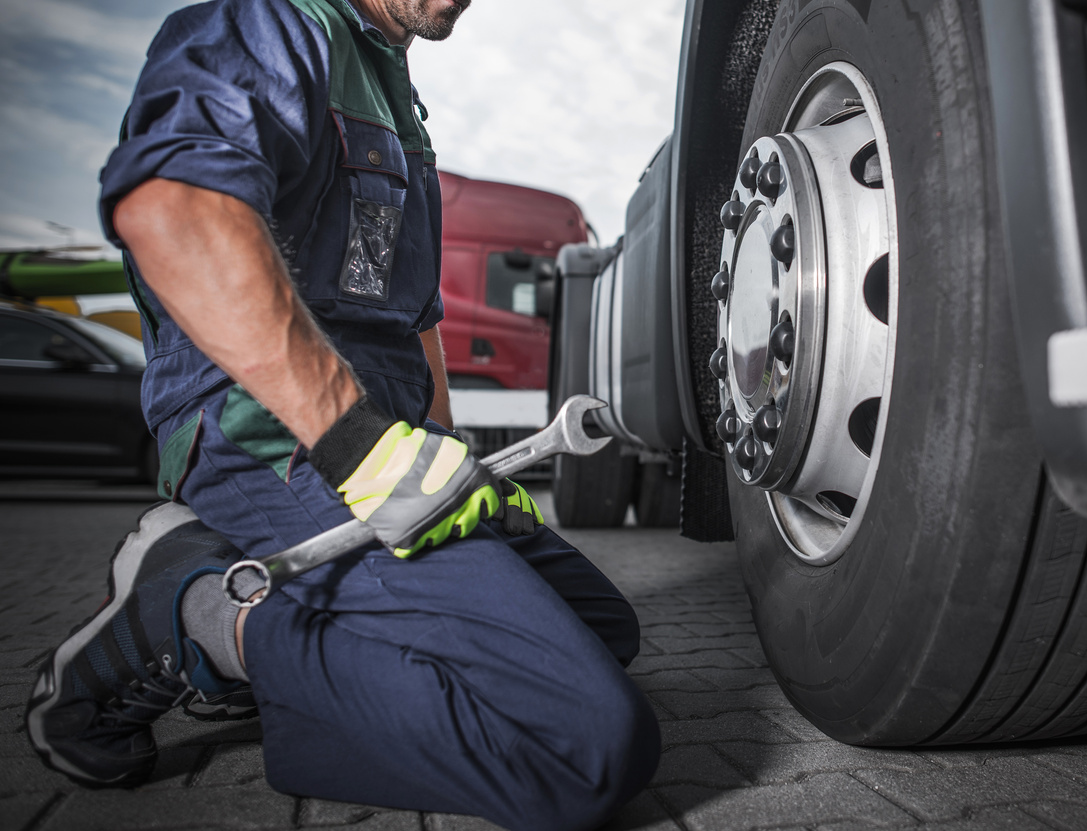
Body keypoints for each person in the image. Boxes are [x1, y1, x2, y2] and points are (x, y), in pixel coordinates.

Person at [24, 1, 661, 828]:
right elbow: (172, 208)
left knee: (601, 628)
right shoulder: (272, 23)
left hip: (379, 440)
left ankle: (282, 639)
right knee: (587, 743)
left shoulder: (395, 90)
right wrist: (359, 448)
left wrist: (445, 455)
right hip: (273, 437)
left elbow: (414, 318)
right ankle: (197, 615)